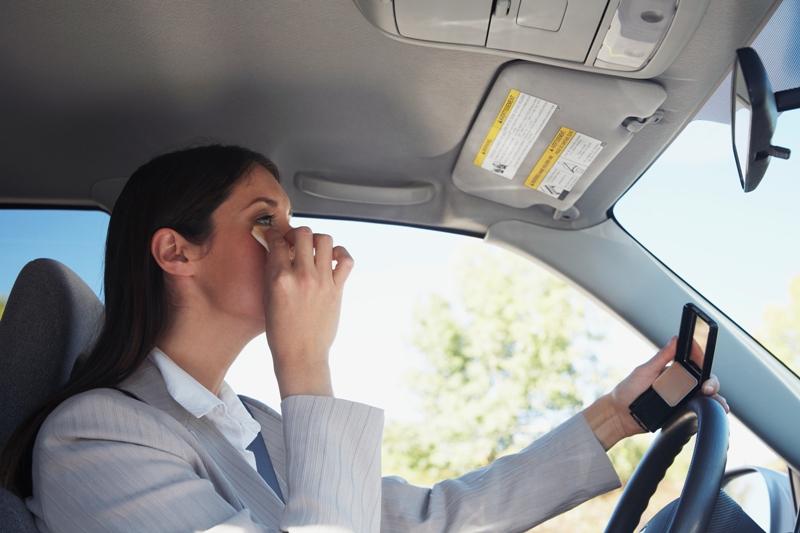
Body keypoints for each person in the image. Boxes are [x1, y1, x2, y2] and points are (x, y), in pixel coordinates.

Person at [0, 145, 728, 532]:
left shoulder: (255, 425)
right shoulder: (91, 438)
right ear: (176, 252)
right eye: (265, 221)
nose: (301, 241)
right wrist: (306, 360)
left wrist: (616, 417)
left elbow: (437, 518)